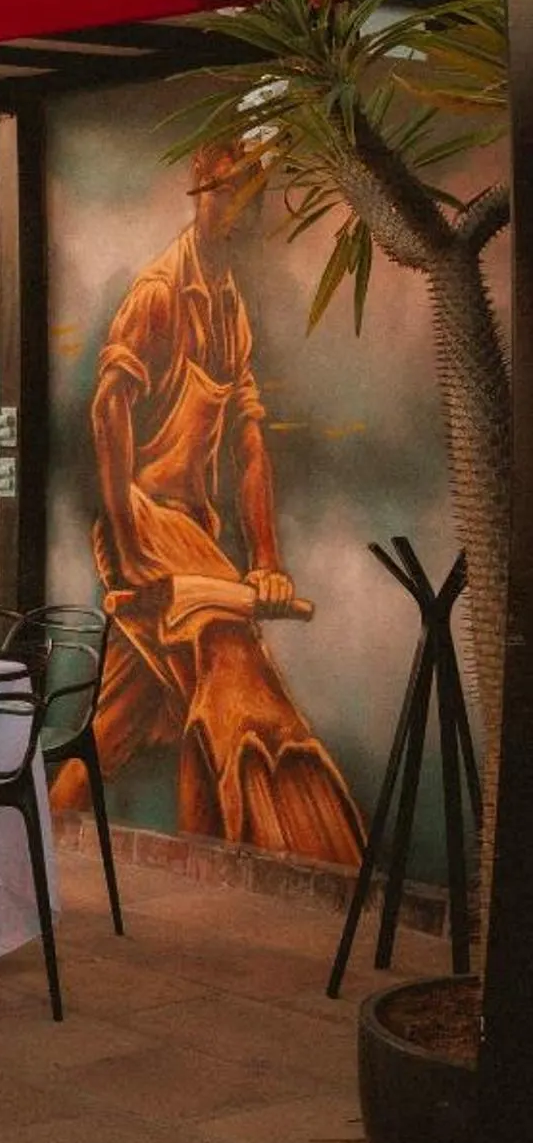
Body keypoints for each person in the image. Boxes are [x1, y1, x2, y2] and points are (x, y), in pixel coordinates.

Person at [80, 136, 365, 865]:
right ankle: (267, 856)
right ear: (199, 198)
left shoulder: (230, 308)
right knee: (237, 687)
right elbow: (107, 408)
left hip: (192, 537)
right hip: (145, 525)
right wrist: (127, 543)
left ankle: (47, 843)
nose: (238, 206)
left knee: (114, 727)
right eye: (226, 191)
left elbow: (246, 444)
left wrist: (266, 559)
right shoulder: (158, 291)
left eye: (249, 193)